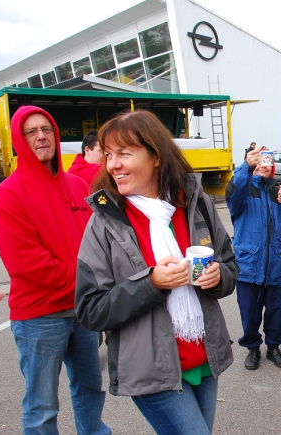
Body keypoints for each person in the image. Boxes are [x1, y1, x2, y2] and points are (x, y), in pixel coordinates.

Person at [75, 109, 238, 435]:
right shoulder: (106, 221)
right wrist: (151, 284)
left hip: (204, 358)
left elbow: (230, 266)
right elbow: (90, 310)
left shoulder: (196, 203)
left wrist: (218, 276)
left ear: (157, 157)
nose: (113, 165)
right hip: (151, 369)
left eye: (124, 153)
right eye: (108, 155)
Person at [0, 105, 110, 434]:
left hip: (83, 311)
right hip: (39, 318)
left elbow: (102, 235)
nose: (41, 136)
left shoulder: (78, 186)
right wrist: (90, 280)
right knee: (42, 404)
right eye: (31, 131)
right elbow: (27, 263)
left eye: (47, 129)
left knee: (90, 389)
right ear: (19, 139)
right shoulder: (7, 195)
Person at [226, 146, 281, 370]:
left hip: (275, 263)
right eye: (257, 161)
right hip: (248, 265)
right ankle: (253, 348)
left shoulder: (279, 190)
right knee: (249, 312)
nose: (261, 165)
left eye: (265, 160)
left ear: (272, 164)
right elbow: (236, 188)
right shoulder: (242, 190)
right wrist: (246, 166)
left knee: (276, 310)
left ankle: (274, 347)